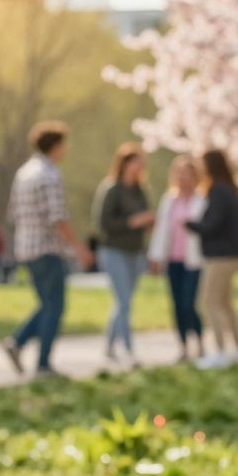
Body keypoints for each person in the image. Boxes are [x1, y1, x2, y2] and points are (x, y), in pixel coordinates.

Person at [3, 121, 94, 379]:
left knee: (47, 304)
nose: (66, 149)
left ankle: (17, 342)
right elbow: (58, 218)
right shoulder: (50, 175)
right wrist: (79, 248)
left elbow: (13, 213)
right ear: (55, 146)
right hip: (47, 248)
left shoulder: (24, 173)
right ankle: (43, 363)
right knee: (55, 306)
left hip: (26, 247)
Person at [92, 142, 155, 366]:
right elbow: (103, 223)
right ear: (124, 164)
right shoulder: (112, 189)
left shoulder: (140, 191)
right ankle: (129, 351)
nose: (138, 168)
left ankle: (109, 346)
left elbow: (146, 217)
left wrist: (149, 222)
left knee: (123, 302)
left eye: (141, 164)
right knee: (124, 301)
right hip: (114, 251)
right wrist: (131, 221)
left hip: (135, 252)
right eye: (135, 163)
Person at [188, 150, 238, 369]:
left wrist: (190, 224)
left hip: (221, 256)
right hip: (233, 254)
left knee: (209, 302)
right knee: (225, 302)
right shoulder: (229, 189)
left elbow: (212, 224)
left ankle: (220, 351)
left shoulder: (218, 191)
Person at [148, 156, 207, 363]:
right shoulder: (169, 201)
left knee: (188, 302)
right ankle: (183, 346)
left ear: (195, 177)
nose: (183, 179)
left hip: (194, 260)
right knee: (176, 304)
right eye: (180, 175)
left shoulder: (202, 201)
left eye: (187, 175)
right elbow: (161, 231)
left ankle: (199, 341)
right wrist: (155, 256)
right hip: (173, 260)